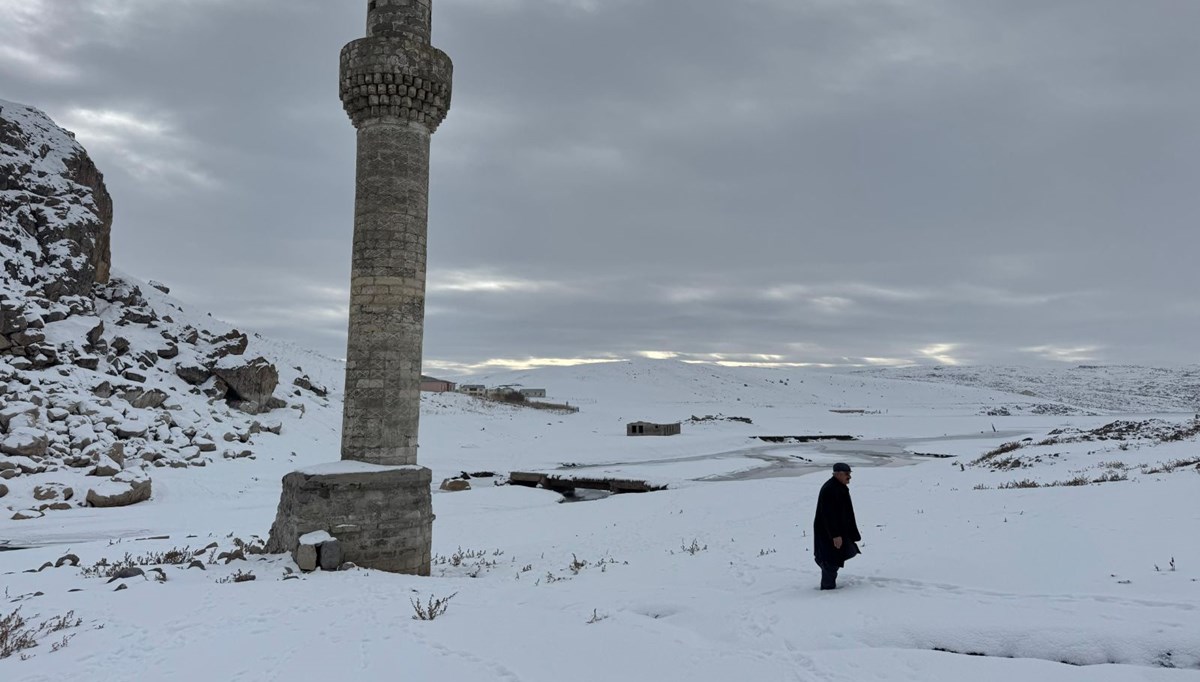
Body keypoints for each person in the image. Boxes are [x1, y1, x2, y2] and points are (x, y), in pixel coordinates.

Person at [813, 462, 861, 590]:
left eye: (849, 474)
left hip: (840, 531)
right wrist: (835, 535)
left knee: (847, 551)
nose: (849, 477)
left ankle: (823, 564)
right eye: (847, 474)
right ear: (838, 474)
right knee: (831, 560)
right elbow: (828, 515)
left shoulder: (839, 487)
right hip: (829, 533)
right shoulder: (830, 489)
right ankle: (827, 590)